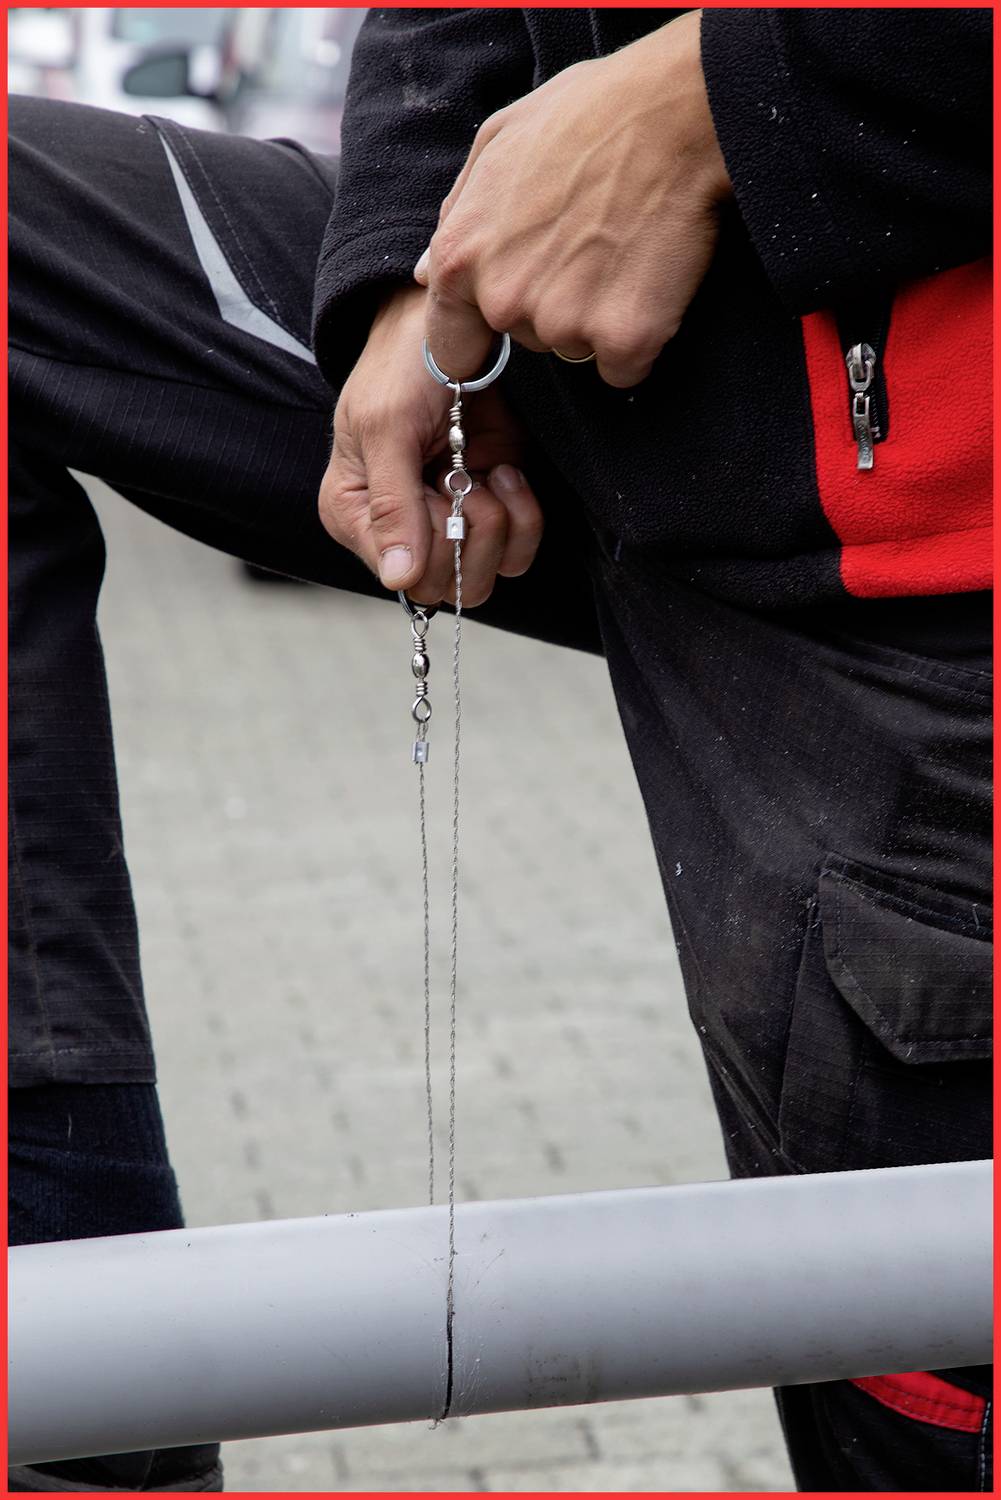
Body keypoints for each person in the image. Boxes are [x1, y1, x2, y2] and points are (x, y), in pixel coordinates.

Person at [8, 7, 991, 1492]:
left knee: (903, 1344)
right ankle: (70, 1368)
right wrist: (413, 275)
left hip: (918, 513)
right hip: (575, 359)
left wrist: (722, 92)